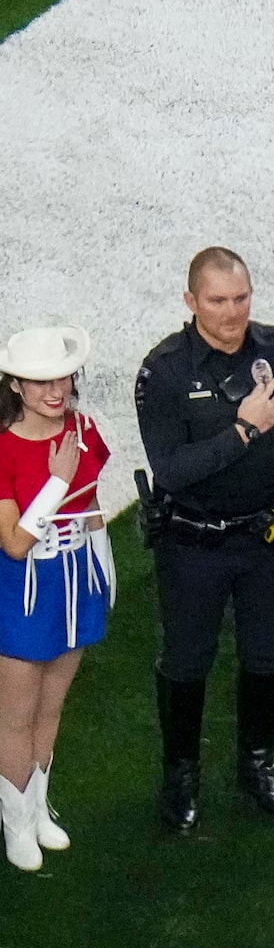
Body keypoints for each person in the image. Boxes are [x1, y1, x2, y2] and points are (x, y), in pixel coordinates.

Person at [134, 246, 274, 832]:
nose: (232, 313)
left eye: (242, 298)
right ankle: (180, 776)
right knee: (186, 661)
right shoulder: (165, 370)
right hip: (192, 546)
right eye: (219, 301)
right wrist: (245, 428)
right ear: (191, 301)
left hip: (270, 540)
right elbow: (173, 470)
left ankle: (256, 765)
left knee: (267, 654)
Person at [0, 327, 112, 868]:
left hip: (74, 582)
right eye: (40, 381)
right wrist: (55, 482)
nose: (55, 390)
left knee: (51, 708)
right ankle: (15, 825)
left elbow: (91, 509)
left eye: (62, 376)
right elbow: (16, 544)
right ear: (16, 386)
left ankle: (39, 809)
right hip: (23, 590)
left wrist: (101, 571)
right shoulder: (1, 445)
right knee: (16, 716)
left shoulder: (85, 428)